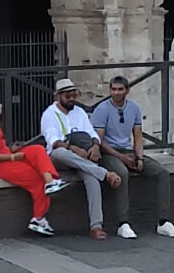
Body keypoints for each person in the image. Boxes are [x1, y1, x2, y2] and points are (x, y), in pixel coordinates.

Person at [88, 73, 174, 241]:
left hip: (128, 151)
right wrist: (121, 157)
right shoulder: (102, 109)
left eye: (120, 89)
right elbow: (99, 141)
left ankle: (163, 221)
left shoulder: (134, 108)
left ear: (127, 90)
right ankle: (122, 223)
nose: (116, 93)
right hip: (109, 152)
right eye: (113, 89)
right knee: (122, 173)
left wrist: (139, 157)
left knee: (162, 173)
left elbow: (137, 136)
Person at [38, 75, 125, 240]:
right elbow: (53, 141)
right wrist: (72, 148)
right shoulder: (49, 114)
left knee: (91, 177)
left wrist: (94, 145)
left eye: (73, 95)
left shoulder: (80, 112)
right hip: (59, 158)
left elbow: (92, 133)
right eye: (67, 96)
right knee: (61, 153)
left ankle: (96, 226)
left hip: (83, 158)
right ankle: (105, 174)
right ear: (58, 96)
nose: (71, 98)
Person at [0, 91, 62, 237]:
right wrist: (13, 156)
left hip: (4, 156)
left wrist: (10, 149)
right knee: (38, 181)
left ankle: (51, 181)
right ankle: (38, 218)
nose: (1, 106)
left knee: (38, 150)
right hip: (0, 164)